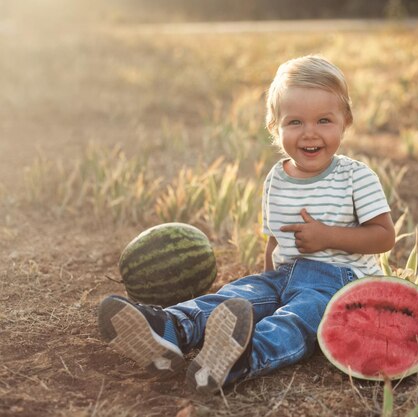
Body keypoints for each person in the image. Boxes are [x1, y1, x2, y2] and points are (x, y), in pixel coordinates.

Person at [97, 55, 396, 395]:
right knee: (234, 296)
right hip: (282, 275)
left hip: (338, 283)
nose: (310, 133)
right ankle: (169, 329)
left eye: (324, 120)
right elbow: (274, 241)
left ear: (346, 122)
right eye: (295, 122)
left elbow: (384, 237)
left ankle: (239, 359)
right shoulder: (277, 178)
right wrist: (267, 282)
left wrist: (328, 236)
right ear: (275, 127)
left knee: (297, 318)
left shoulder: (356, 177)